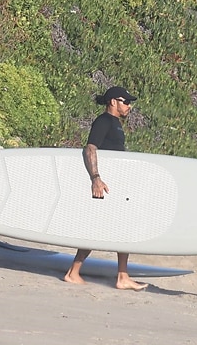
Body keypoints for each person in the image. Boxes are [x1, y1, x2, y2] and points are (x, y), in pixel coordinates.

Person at [63, 85, 147, 290]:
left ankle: (121, 276)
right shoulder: (104, 121)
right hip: (103, 185)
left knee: (118, 228)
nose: (129, 106)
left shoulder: (115, 123)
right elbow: (90, 148)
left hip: (112, 185)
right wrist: (96, 178)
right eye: (126, 102)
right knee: (101, 228)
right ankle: (74, 273)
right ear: (113, 102)